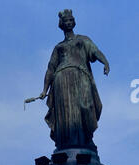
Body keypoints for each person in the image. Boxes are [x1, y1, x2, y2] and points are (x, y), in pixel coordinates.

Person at [39, 10, 110, 152]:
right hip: (61, 79)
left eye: (71, 20)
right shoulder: (58, 47)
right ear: (62, 25)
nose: (69, 22)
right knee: (65, 113)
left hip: (80, 76)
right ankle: (64, 143)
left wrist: (105, 62)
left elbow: (95, 51)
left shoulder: (82, 40)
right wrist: (44, 90)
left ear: (74, 22)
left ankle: (86, 140)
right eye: (66, 21)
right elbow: (50, 69)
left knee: (86, 107)